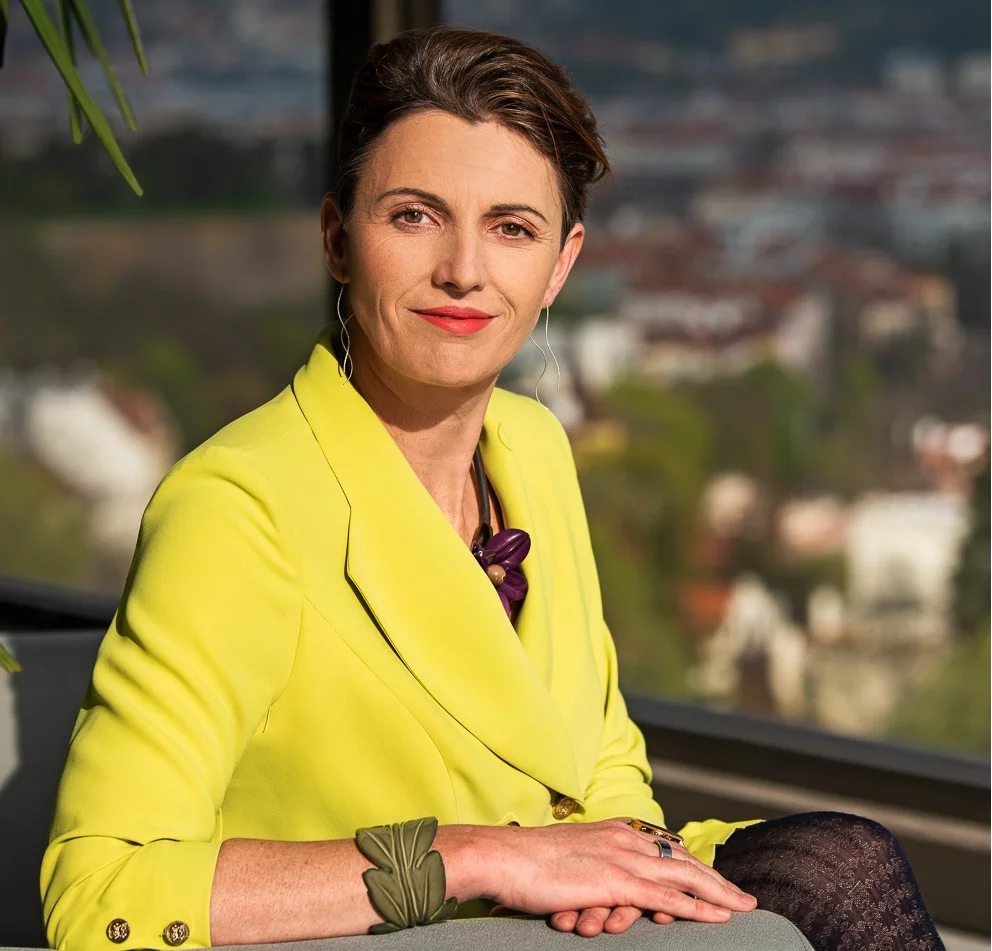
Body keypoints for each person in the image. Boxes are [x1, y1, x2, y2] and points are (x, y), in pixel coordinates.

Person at [41, 26, 944, 951]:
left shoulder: (533, 447)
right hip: (401, 932)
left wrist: (620, 877)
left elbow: (603, 759)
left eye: (512, 228)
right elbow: (100, 893)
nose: (463, 272)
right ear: (337, 240)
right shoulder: (236, 506)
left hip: (544, 923)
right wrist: (474, 856)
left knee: (846, 861)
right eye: (414, 216)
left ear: (561, 265)